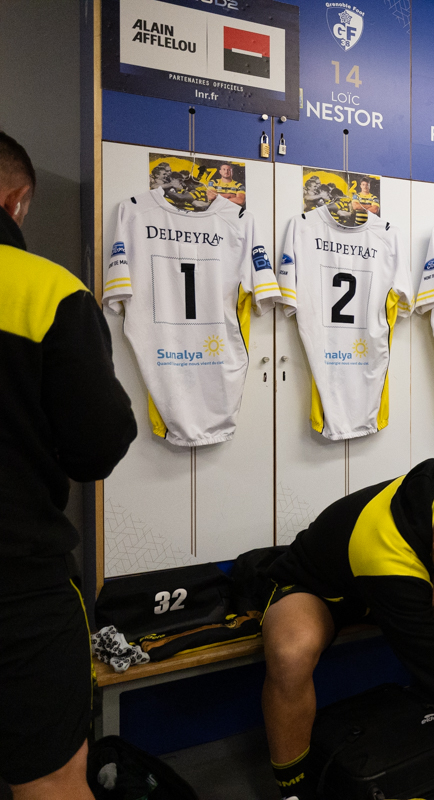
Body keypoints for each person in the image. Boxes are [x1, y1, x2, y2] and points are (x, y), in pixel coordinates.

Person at [0, 131, 137, 799]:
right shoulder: (44, 290)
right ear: (17, 200)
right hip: (17, 587)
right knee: (53, 780)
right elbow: (96, 447)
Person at [260, 459, 434, 800]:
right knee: (291, 653)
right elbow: (428, 657)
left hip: (389, 585)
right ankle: (295, 790)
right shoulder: (387, 554)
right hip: (322, 589)